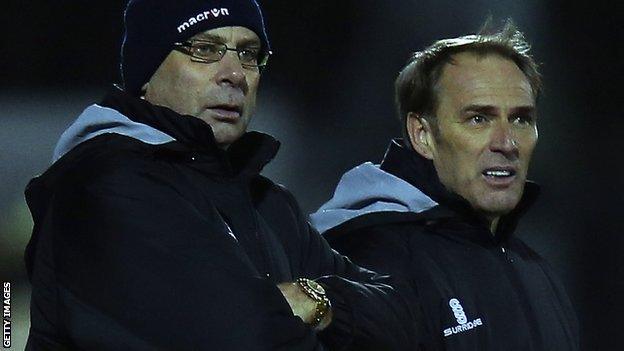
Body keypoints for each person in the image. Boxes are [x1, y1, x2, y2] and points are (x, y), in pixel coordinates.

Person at [24, 1, 415, 350]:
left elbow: (405, 319)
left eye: (249, 54)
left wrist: (311, 298)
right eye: (205, 50)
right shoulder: (106, 185)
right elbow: (247, 338)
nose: (235, 74)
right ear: (147, 72)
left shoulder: (267, 202)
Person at [311, 22, 579, 350]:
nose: (507, 143)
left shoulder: (532, 266)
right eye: (478, 119)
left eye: (521, 119)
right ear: (423, 135)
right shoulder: (367, 258)